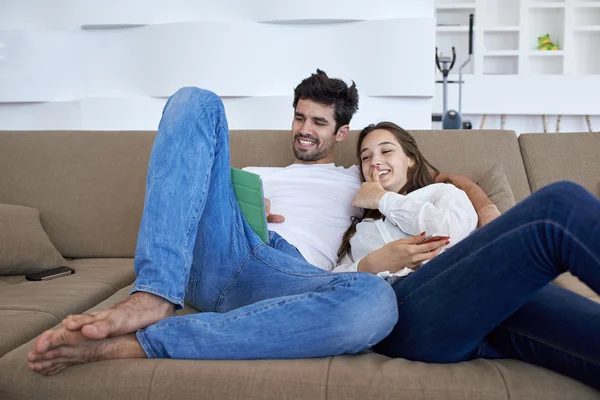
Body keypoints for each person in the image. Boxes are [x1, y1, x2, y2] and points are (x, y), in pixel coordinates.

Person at [26, 70, 399, 376]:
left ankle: (141, 343)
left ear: (341, 133)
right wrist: (243, 206)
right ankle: (154, 294)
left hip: (283, 276)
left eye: (319, 122)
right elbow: (188, 199)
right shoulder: (253, 174)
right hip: (218, 247)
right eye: (299, 117)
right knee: (196, 100)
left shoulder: (356, 178)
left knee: (374, 299)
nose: (304, 129)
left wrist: (450, 185)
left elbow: (442, 185)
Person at [337, 121, 600, 390]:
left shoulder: (443, 193)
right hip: (409, 316)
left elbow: (451, 230)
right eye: (366, 157)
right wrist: (371, 264)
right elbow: (330, 283)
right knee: (558, 205)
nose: (375, 161)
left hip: (477, 306)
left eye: (386, 151)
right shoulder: (359, 232)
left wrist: (383, 199)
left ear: (411, 159)